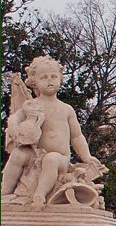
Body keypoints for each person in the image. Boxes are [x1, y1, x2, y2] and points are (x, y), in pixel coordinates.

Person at [1, 56, 103, 206]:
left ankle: (40, 194)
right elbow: (14, 118)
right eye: (44, 77)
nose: (50, 80)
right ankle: (5, 190)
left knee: (51, 159)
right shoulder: (31, 105)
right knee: (18, 154)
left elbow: (76, 136)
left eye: (54, 76)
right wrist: (15, 127)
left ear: (60, 79)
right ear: (34, 81)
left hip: (60, 158)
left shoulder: (66, 109)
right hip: (34, 154)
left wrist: (87, 157)